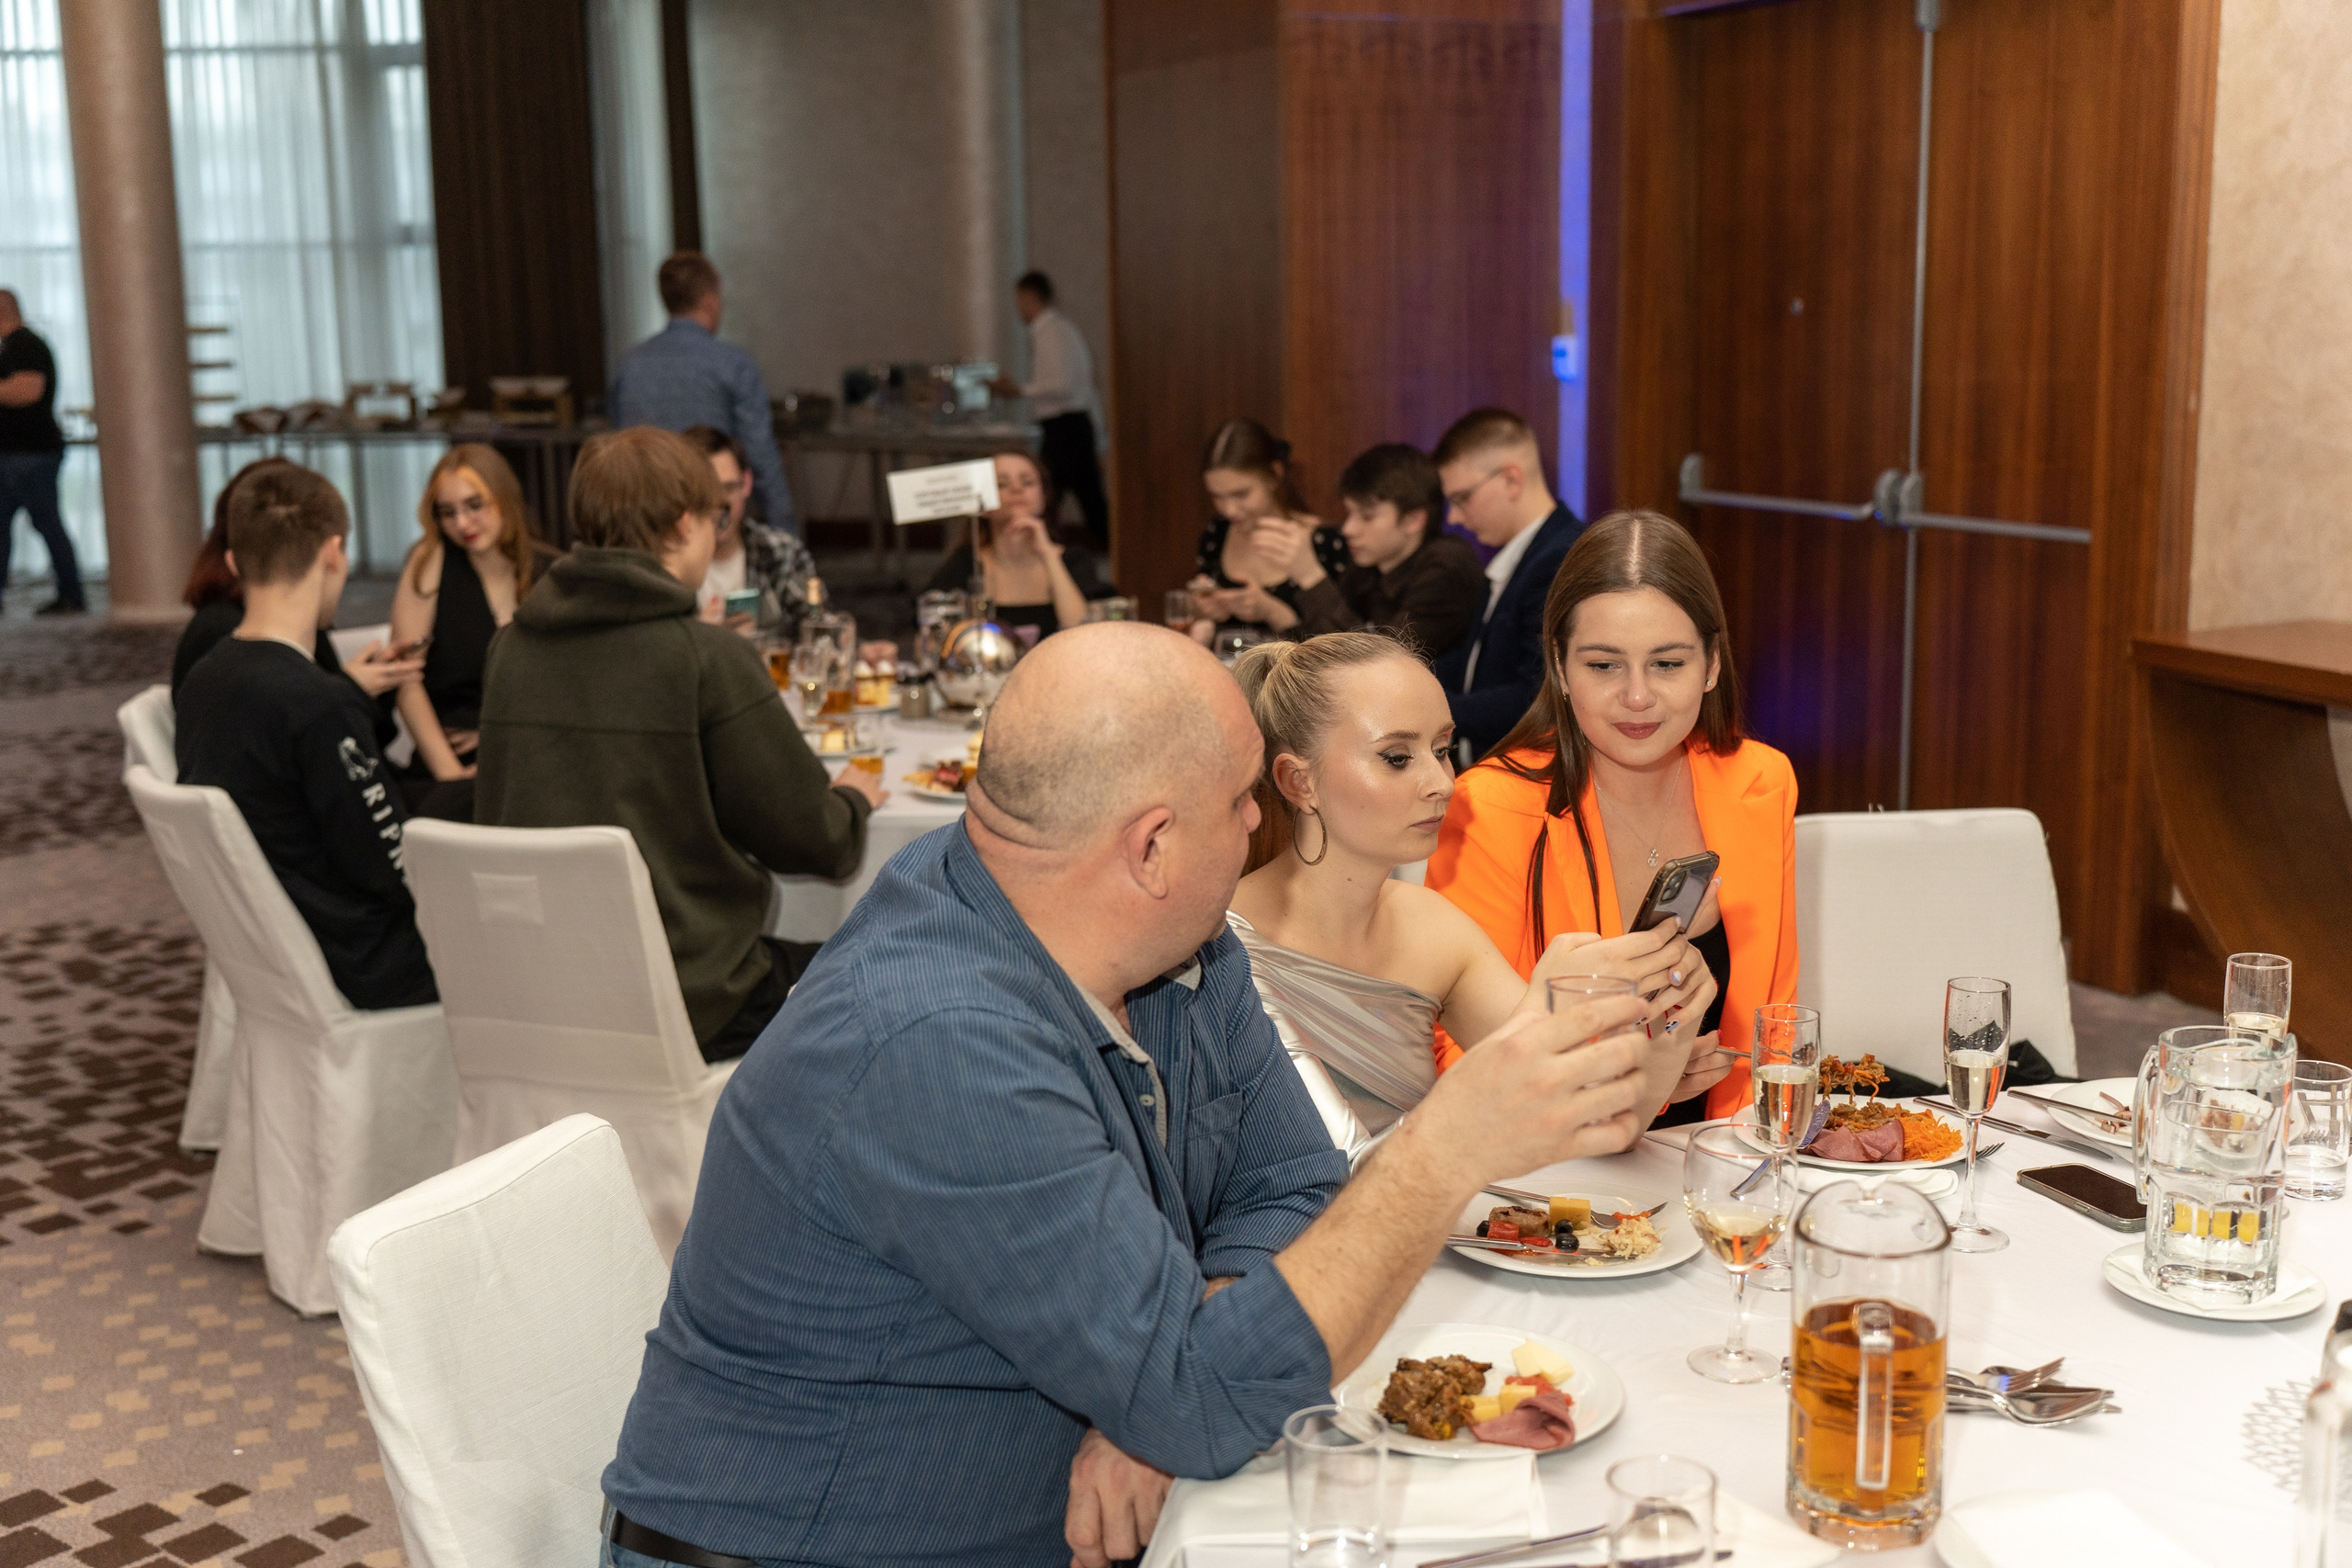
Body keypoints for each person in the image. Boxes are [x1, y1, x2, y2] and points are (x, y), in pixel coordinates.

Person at [596, 622, 1697, 1568]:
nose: (1258, 830)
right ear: (1154, 845)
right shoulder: (938, 1041)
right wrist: (1442, 1151)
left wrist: (1157, 1387)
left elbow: (1291, 1176)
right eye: (1239, 804)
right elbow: (1211, 1398)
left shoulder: (1172, 941)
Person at [1228, 632, 1728, 1160]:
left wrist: (1672, 1023)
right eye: (1397, 758)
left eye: (1441, 750)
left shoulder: (1432, 926)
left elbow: (1590, 1119)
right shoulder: (1227, 946)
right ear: (1297, 781)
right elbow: (1338, 1168)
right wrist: (1541, 1019)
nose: (1441, 782)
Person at [474, 427, 885, 1063]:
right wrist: (853, 801)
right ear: (687, 523)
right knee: (894, 970)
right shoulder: (705, 659)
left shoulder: (509, 650)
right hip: (693, 998)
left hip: (543, 993)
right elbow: (820, 841)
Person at [1427, 510, 1801, 1122]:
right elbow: (1462, 1067)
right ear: (1561, 666)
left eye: (1668, 663)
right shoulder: (1492, 806)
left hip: (1727, 1159)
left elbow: (1774, 1029)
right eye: (1603, 665)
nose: (1636, 696)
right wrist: (1645, 1083)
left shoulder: (1760, 781)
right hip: (1557, 1173)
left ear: (1710, 663)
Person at [175, 464, 435, 1010]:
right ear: (333, 554)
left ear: (232, 561)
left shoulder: (204, 680)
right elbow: (392, 868)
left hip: (281, 958)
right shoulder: (315, 705)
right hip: (369, 964)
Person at [172, 456, 420, 709]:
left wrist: (360, 685)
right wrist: (350, 690)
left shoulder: (256, 636)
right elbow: (291, 727)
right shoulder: (228, 636)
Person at [389, 445, 556, 788]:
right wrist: (451, 776)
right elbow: (406, 678)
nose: (462, 523)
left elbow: (571, 687)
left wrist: (503, 737)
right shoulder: (430, 560)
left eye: (474, 505)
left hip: (535, 755)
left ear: (504, 497)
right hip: (450, 762)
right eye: (447, 512)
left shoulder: (553, 571)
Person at [1428, 407, 1586, 759]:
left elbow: (1536, 696)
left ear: (1511, 479)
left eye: (1462, 498)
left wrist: (1426, 706)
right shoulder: (1523, 552)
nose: (1453, 516)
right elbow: (1478, 662)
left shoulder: (1560, 558)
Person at [610, 251, 797, 536]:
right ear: (710, 300)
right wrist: (787, 535)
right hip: (711, 521)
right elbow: (761, 459)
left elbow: (617, 452)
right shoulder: (733, 365)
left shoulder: (628, 367)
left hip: (644, 525)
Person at [1261, 443, 1487, 660]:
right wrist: (1278, 615)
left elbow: (1378, 665)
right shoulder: (1371, 561)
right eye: (1349, 514)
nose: (1348, 529)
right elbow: (1324, 651)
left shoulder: (1447, 567)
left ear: (1413, 520)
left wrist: (1310, 576)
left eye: (1366, 516)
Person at [923, 449, 1115, 644]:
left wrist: (1048, 554)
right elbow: (932, 637)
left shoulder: (1073, 559)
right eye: (1001, 484)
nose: (1016, 489)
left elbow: (1084, 634)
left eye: (1028, 482)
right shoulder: (967, 561)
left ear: (1045, 496)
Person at [1185, 417, 1349, 645]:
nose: (1229, 510)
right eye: (1217, 497)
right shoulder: (1217, 531)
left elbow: (1344, 646)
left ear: (1274, 475)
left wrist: (1273, 612)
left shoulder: (1327, 541)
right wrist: (1202, 609)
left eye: (1241, 494)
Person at [988, 270, 1110, 548]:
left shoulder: (1051, 333)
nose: (1018, 308)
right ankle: (1044, 549)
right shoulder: (1061, 331)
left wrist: (1017, 390)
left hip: (1065, 428)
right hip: (1072, 427)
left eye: (1019, 300)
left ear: (1029, 297)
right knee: (1068, 501)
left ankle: (1042, 549)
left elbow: (1061, 385)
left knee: (1056, 499)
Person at [681, 423, 815, 638]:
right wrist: (700, 637)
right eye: (708, 492)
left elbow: (817, 628)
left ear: (747, 483)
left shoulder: (780, 550)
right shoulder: (667, 563)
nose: (720, 505)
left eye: (729, 488)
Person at [0, 288, 85, 615]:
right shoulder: (12, 346)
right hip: (15, 455)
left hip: (30, 456)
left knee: (47, 523)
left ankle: (71, 593)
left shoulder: (26, 345)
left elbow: (28, 391)